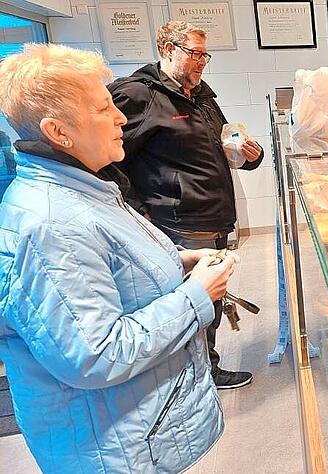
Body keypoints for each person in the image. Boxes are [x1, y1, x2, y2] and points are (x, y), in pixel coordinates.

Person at [0, 43, 238, 472]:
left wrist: (177, 262)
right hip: (113, 450)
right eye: (103, 108)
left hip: (136, 430)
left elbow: (109, 270)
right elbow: (96, 354)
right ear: (59, 132)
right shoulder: (53, 223)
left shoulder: (84, 189)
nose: (121, 118)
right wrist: (196, 295)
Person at [108, 21, 263, 390]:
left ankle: (206, 368)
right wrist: (138, 211)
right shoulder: (139, 95)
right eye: (194, 53)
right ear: (167, 48)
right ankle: (197, 376)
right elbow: (108, 159)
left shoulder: (203, 97)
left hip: (215, 216)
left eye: (204, 55)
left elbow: (224, 147)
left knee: (210, 297)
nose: (201, 62)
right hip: (177, 221)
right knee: (191, 299)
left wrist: (249, 155)